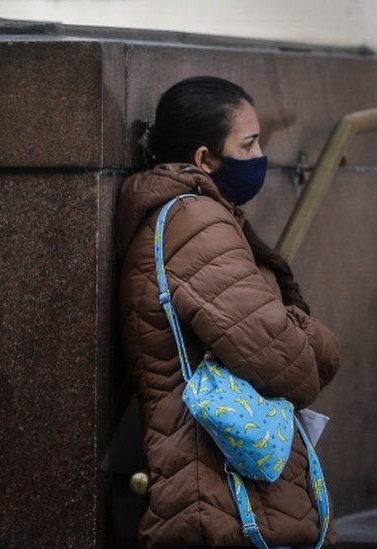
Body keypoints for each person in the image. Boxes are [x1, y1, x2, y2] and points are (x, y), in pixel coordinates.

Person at [115, 75, 341, 548]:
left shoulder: (194, 217)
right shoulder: (195, 223)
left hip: (213, 479)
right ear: (204, 159)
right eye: (249, 143)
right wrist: (311, 334)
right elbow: (289, 362)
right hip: (213, 483)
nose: (260, 157)